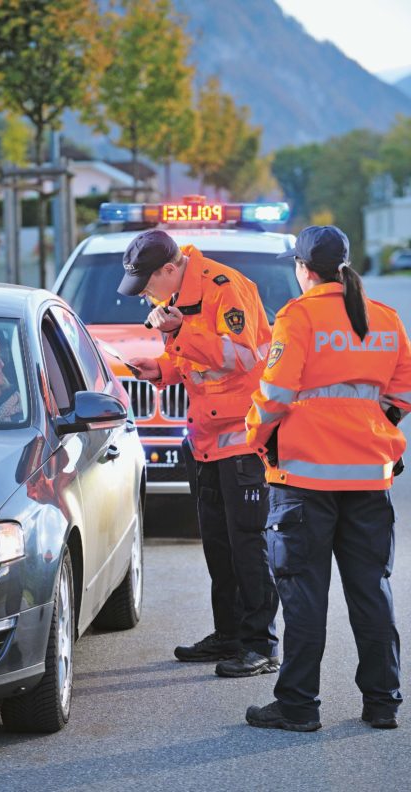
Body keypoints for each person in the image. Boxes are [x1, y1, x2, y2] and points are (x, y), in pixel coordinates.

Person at [245, 225, 411, 732]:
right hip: (368, 481)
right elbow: (402, 394)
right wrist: (373, 429)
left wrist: (257, 436)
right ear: (343, 265)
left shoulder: (297, 317)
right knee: (370, 593)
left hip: (303, 483)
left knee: (304, 597)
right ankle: (382, 703)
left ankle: (298, 706)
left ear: (303, 269)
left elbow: (273, 395)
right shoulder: (384, 318)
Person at [118, 228, 279, 677]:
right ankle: (229, 635)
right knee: (218, 544)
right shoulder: (176, 298)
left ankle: (261, 644)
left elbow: (243, 357)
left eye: (149, 284)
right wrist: (163, 369)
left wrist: (181, 330)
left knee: (248, 546)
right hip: (204, 439)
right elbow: (195, 362)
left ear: (170, 269)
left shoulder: (225, 288)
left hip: (243, 439)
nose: (146, 295)